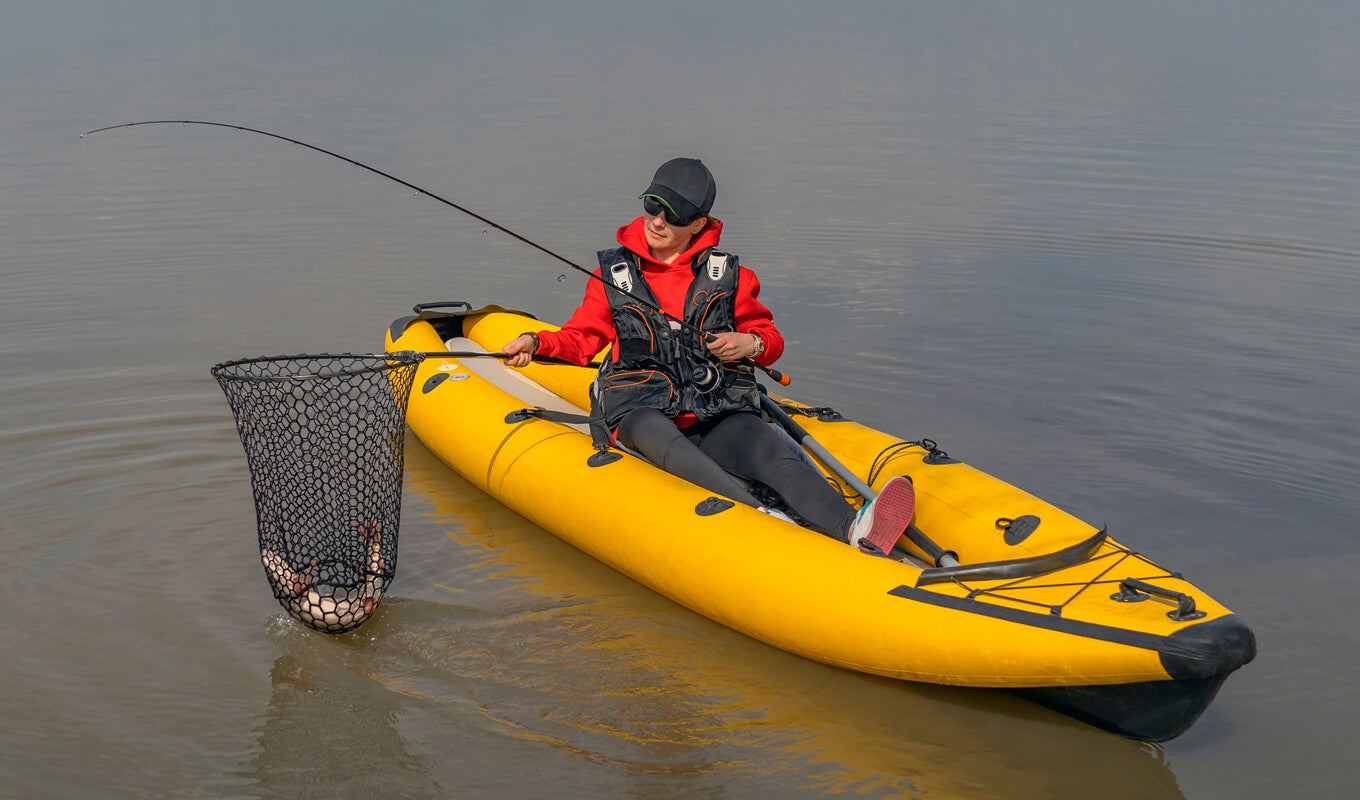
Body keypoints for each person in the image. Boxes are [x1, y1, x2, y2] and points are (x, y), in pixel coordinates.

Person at [502, 158, 912, 553]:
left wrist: (749, 344)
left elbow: (770, 340)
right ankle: (765, 520)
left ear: (698, 223)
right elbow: (581, 339)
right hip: (639, 411)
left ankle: (853, 528)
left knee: (761, 443)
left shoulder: (733, 277)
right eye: (652, 205)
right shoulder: (613, 275)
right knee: (651, 428)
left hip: (712, 412)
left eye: (674, 215)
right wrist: (536, 342)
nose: (658, 221)